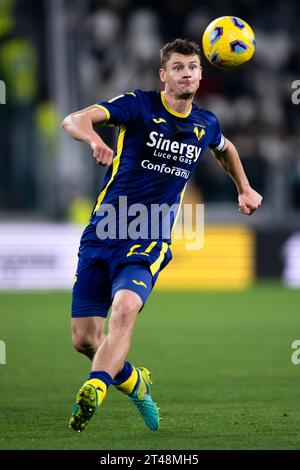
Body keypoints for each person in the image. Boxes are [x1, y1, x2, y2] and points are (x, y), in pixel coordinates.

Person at [62, 38, 262, 433]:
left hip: (148, 235)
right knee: (85, 340)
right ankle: (137, 382)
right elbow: (74, 118)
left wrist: (244, 188)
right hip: (103, 231)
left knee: (124, 311)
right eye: (178, 67)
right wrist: (94, 139)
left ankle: (93, 390)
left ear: (201, 74)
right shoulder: (138, 105)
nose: (186, 73)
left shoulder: (206, 123)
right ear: (163, 75)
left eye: (192, 67)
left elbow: (225, 149)